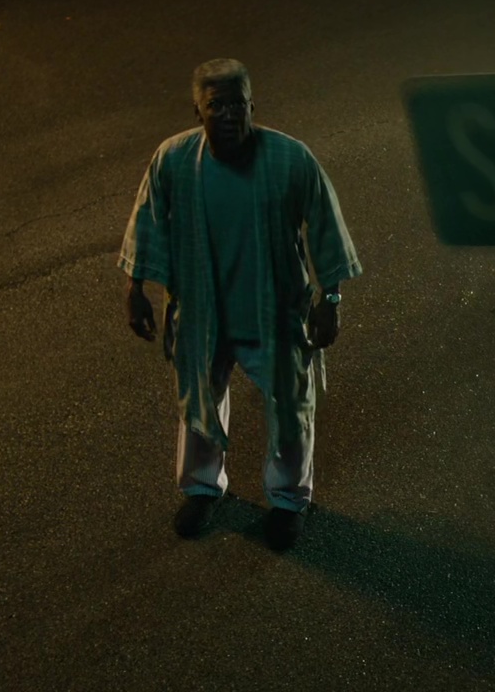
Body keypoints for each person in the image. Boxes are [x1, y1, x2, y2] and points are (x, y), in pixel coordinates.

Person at [118, 58, 362, 551]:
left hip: (273, 313)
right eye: (216, 105)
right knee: (199, 402)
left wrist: (330, 299)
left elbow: (325, 224)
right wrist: (135, 288)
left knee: (291, 405)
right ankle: (202, 487)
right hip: (203, 313)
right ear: (198, 111)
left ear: (253, 104)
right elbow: (148, 218)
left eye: (238, 104)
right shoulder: (174, 159)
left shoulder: (289, 159)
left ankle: (289, 499)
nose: (229, 115)